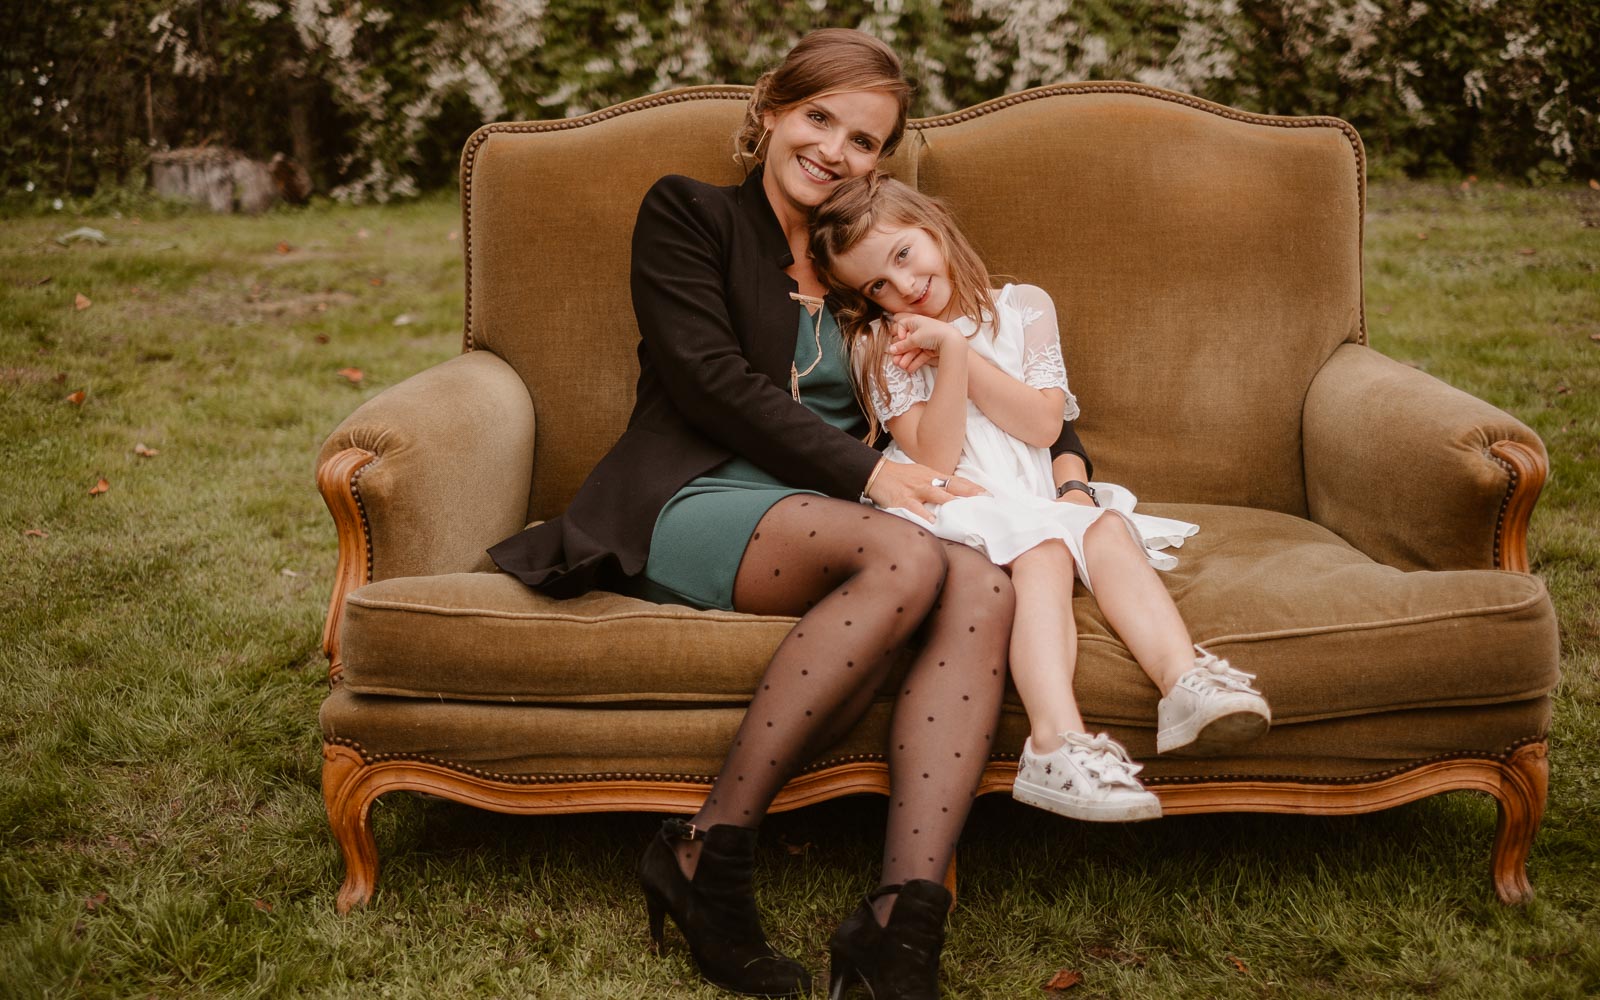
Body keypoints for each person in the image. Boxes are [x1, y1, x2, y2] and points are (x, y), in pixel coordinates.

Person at [488, 29, 1093, 999]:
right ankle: (707, 851)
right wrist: (869, 476)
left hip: (831, 506)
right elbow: (710, 380)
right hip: (696, 492)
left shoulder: (872, 265)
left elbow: (1005, 378)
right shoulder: (689, 215)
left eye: (862, 140)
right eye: (818, 118)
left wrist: (1067, 470)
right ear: (770, 111)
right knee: (907, 560)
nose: (833, 150)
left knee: (978, 578)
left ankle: (900, 927)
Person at [808, 172, 1273, 825]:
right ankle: (1054, 744)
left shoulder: (1025, 306)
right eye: (877, 285)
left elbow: (1042, 427)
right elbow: (934, 455)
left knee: (1105, 525)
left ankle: (1185, 681)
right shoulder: (880, 343)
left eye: (905, 254)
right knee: (1046, 548)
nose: (902, 286)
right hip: (951, 496)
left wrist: (960, 349)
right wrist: (945, 361)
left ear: (934, 228)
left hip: (1030, 489)